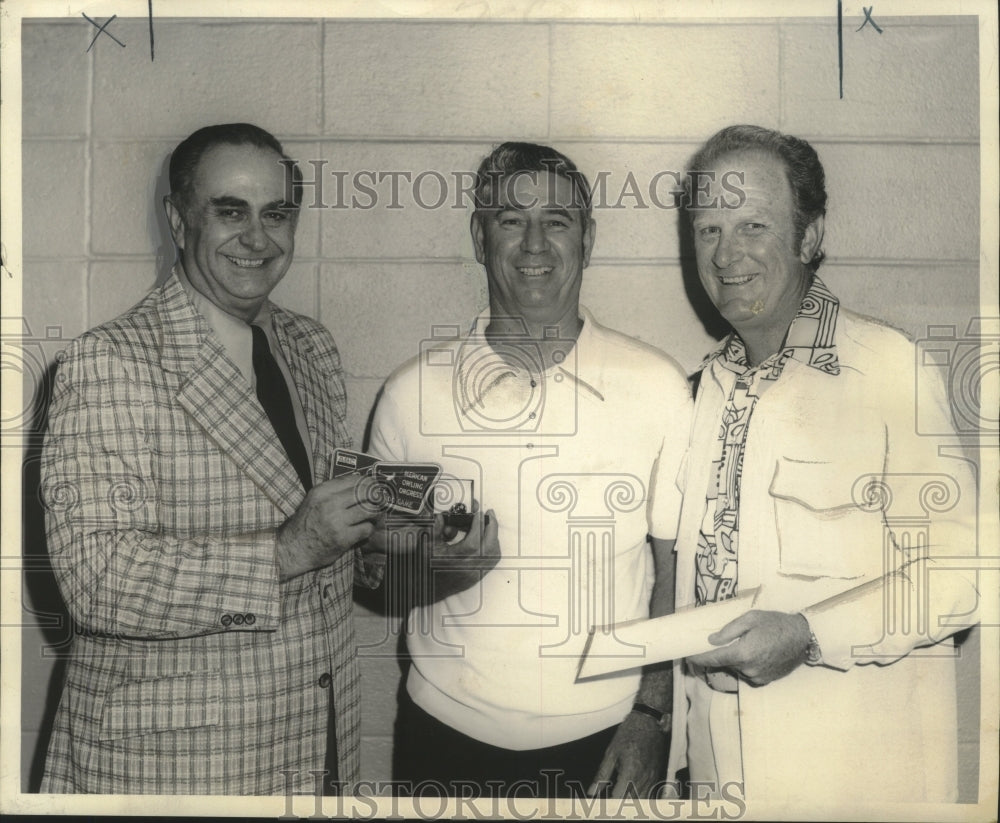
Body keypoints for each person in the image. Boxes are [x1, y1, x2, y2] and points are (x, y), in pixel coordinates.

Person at [38, 123, 496, 795]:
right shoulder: (106, 362)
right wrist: (285, 550)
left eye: (276, 214)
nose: (258, 238)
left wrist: (404, 551)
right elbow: (96, 580)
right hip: (176, 771)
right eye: (231, 211)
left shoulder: (309, 346)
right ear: (177, 219)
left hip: (315, 751)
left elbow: (323, 551)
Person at [666, 124, 980, 805]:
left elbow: (964, 571)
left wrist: (810, 634)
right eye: (709, 229)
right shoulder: (701, 391)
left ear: (808, 236)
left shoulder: (888, 366)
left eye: (753, 224)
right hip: (722, 777)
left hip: (853, 774)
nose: (726, 254)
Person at [369, 142, 692, 798]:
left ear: (589, 237)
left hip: (606, 741)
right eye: (511, 221)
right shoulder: (410, 393)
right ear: (479, 236)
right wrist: (427, 574)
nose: (534, 243)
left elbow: (676, 568)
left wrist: (653, 715)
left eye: (558, 220)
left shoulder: (656, 385)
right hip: (443, 738)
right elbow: (373, 575)